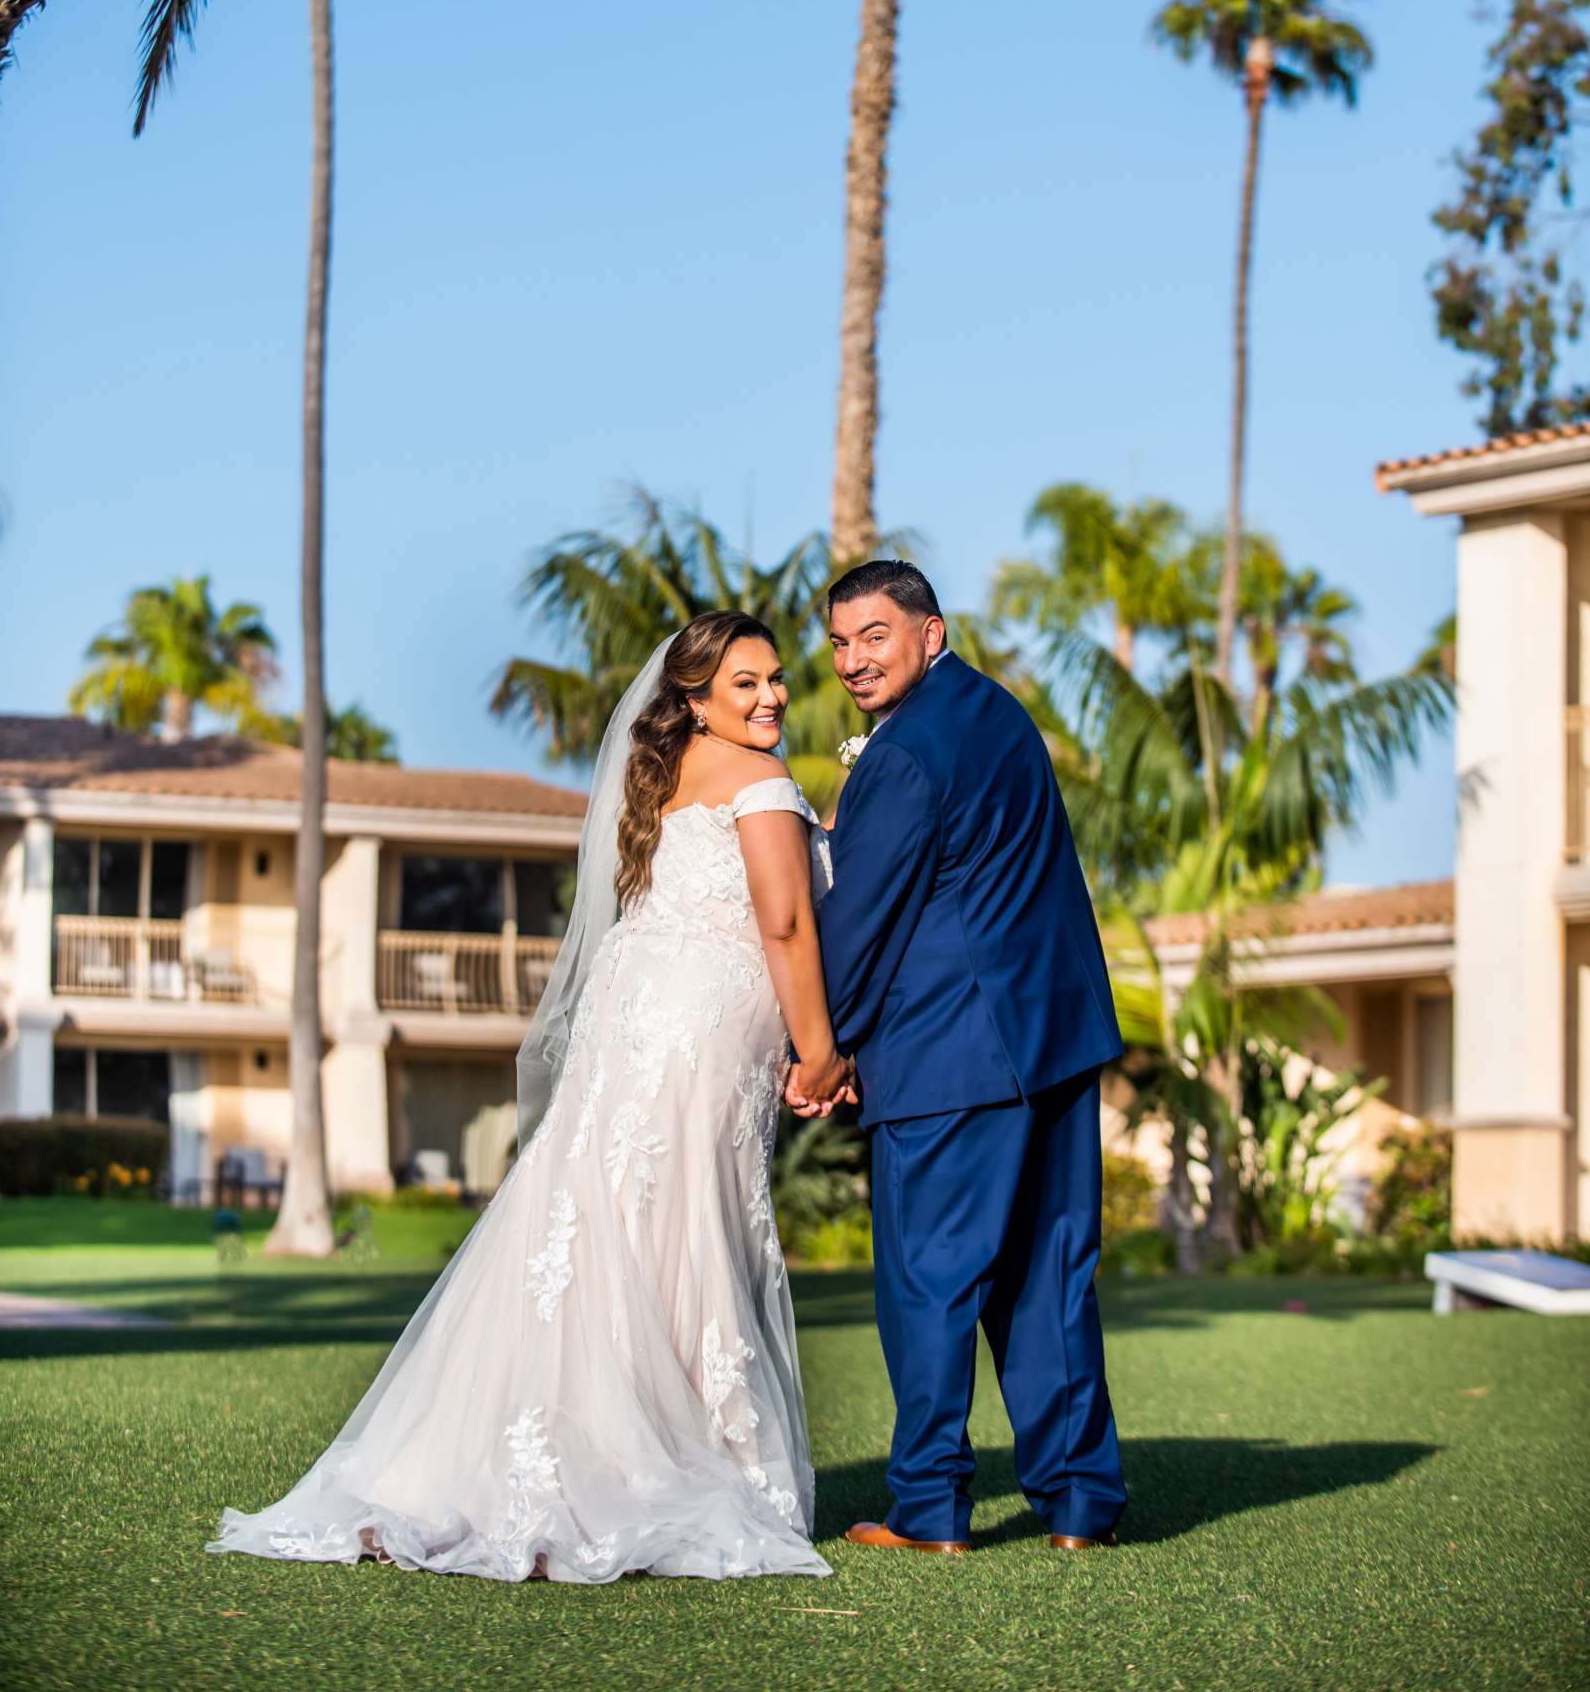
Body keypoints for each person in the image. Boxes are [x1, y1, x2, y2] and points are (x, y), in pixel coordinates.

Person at [209, 612, 845, 1583]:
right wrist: (818, 1051)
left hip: (637, 1023)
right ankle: (659, 1460)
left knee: (599, 1217)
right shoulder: (758, 782)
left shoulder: (670, 780)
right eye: (743, 684)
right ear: (693, 698)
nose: (769, 698)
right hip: (697, 1032)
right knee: (675, 1221)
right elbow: (787, 920)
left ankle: (558, 1454)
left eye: (774, 679)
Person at [792, 559, 1126, 1556]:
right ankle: (1077, 1508)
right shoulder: (1000, 715)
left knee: (931, 1283)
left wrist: (824, 1046)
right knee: (1048, 1276)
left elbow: (856, 924)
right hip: (1055, 1042)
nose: (852, 660)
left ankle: (929, 1508)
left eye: (874, 637)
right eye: (841, 642)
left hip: (950, 1056)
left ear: (929, 633)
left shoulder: (900, 755)